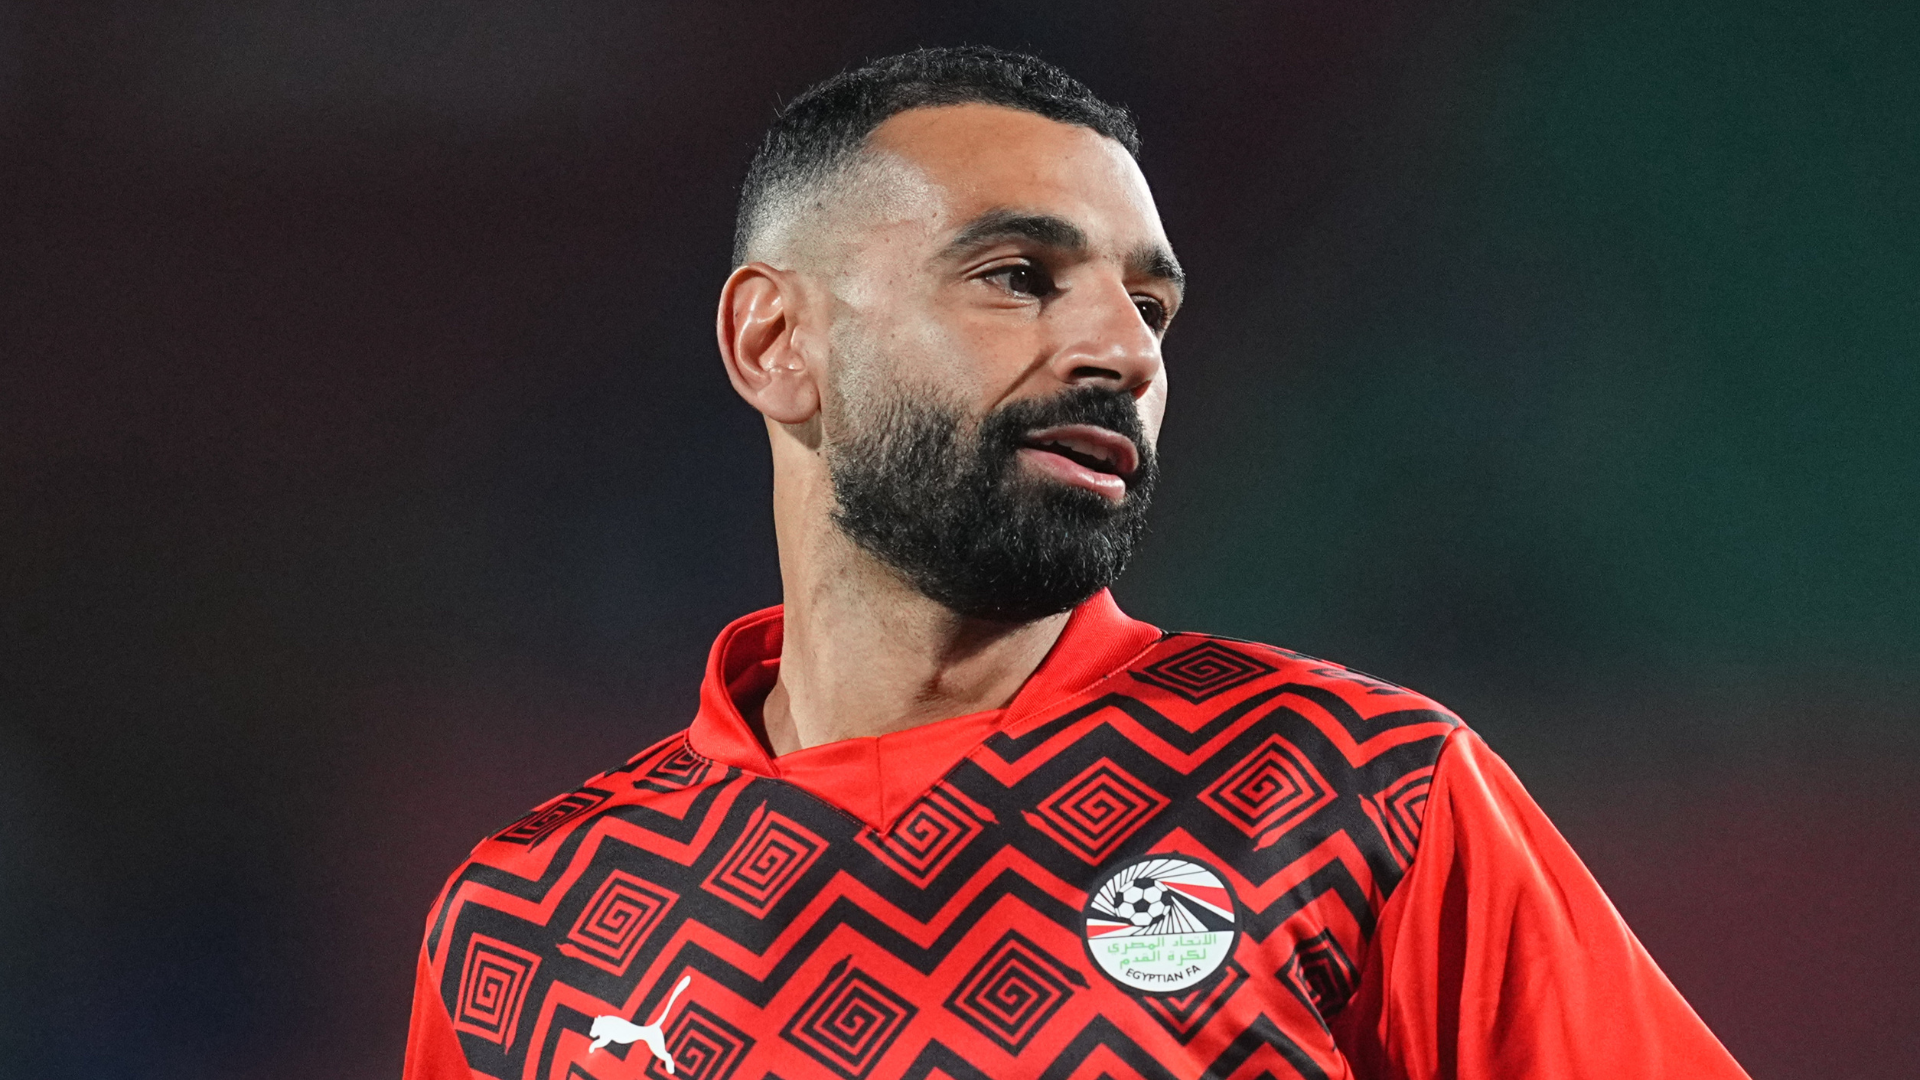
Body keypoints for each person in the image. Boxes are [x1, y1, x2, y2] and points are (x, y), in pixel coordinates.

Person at [403, 46, 1749, 1079]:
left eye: (1150, 301)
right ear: (774, 342)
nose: (1126, 351)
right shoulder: (525, 922)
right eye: (1017, 276)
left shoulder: (1355, 793)